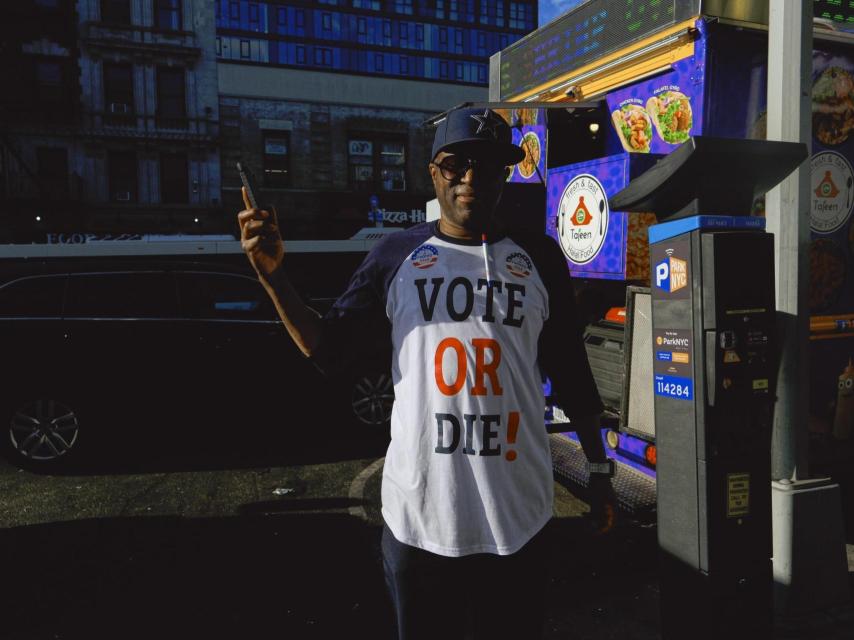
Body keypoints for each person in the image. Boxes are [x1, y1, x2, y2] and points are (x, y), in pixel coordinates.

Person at [238, 107, 613, 639]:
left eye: (487, 166)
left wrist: (598, 470)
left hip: (519, 519)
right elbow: (329, 350)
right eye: (455, 164)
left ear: (506, 174)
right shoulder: (396, 254)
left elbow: (572, 375)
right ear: (433, 172)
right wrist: (274, 278)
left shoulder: (540, 257)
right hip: (420, 521)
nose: (470, 178)